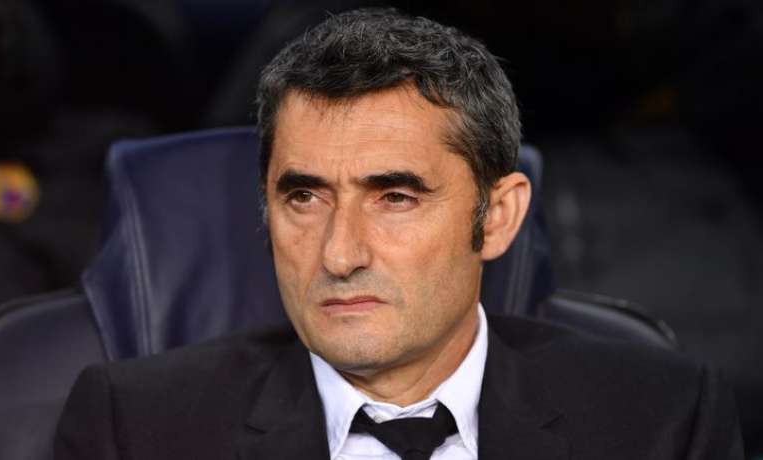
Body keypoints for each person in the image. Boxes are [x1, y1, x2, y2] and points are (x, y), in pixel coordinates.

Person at [54, 8, 743, 459]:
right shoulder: (134, 429)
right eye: (304, 197)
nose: (339, 254)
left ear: (498, 216)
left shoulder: (662, 420)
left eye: (395, 198)